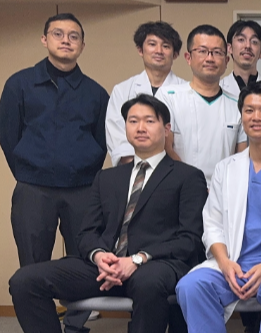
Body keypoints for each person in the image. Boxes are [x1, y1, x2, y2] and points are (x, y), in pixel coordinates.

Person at [9, 94, 208, 333]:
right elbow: (87, 232)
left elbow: (190, 239)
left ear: (166, 129)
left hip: (155, 264)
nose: (140, 128)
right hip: (105, 266)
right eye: (133, 121)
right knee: (24, 281)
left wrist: (137, 259)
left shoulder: (187, 176)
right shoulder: (107, 177)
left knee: (149, 283)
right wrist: (99, 256)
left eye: (149, 121)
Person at [0, 13, 109, 333]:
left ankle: (76, 325)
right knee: (32, 263)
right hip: (34, 188)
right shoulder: (19, 84)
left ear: (82, 45)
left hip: (84, 189)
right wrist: (28, 168)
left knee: (85, 260)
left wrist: (87, 171)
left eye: (73, 36)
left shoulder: (96, 92)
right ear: (44, 40)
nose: (66, 40)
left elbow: (103, 141)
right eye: (58, 34)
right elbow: (8, 135)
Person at [176, 81, 261, 333]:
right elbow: (212, 224)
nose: (256, 117)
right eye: (249, 110)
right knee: (191, 285)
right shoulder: (226, 168)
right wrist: (225, 263)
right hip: (233, 265)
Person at [157, 24, 247, 182]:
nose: (210, 58)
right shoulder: (169, 96)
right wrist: (192, 183)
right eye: (202, 51)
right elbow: (165, 147)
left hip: (224, 188)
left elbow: (241, 155)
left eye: (217, 53)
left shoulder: (238, 104)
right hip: (180, 186)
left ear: (226, 61)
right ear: (188, 58)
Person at [106, 21, 187, 166]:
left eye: (166, 46)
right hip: (134, 171)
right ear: (140, 50)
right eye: (152, 44)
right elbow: (117, 137)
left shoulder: (187, 91)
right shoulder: (122, 90)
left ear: (175, 54)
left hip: (176, 171)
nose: (159, 51)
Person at [221, 20, 261, 95]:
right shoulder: (219, 88)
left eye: (254, 42)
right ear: (229, 48)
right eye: (241, 40)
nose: (247, 46)